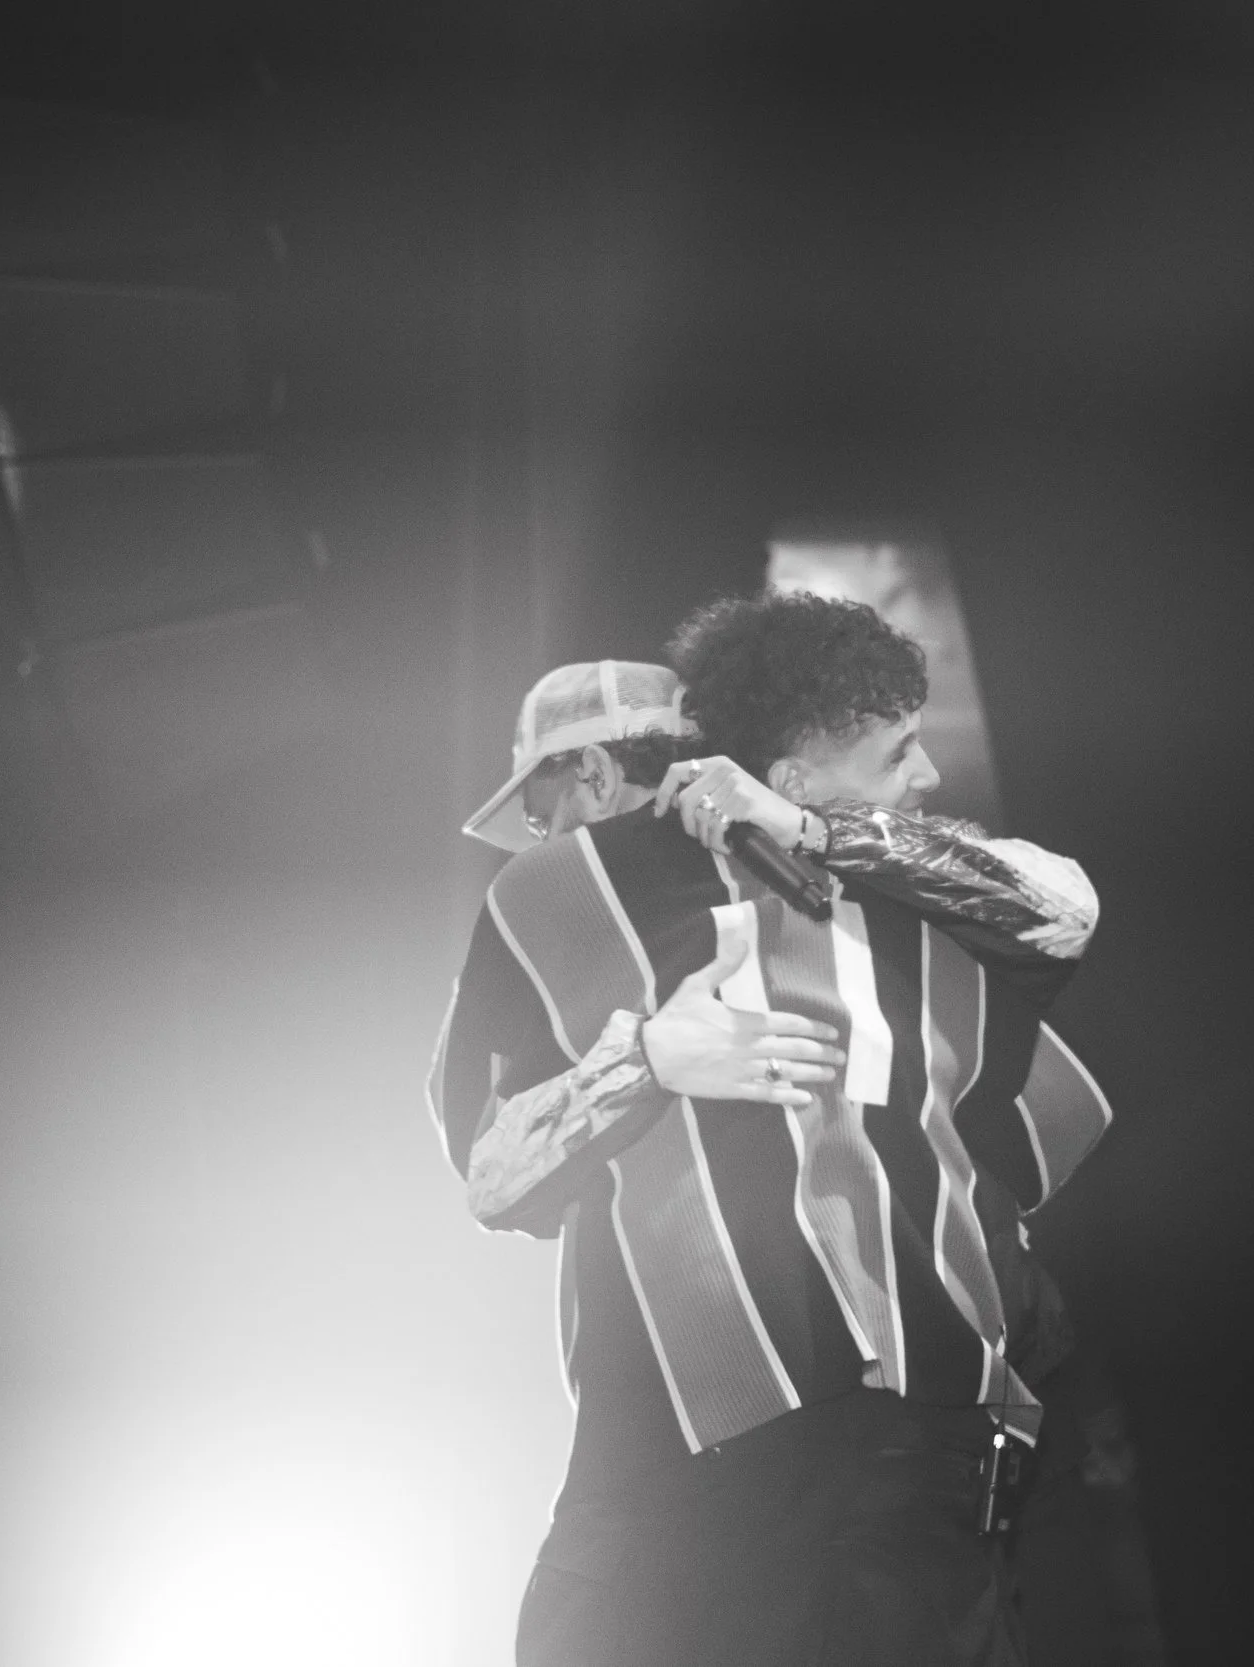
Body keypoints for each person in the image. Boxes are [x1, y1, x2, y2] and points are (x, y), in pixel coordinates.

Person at [429, 600, 1112, 1666]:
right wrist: (651, 1053)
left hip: (805, 1438)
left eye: (540, 801)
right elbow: (490, 1174)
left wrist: (808, 829)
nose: (535, 830)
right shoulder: (573, 895)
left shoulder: (886, 873)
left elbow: (1064, 907)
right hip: (787, 1429)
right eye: (899, 752)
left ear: (597, 777)